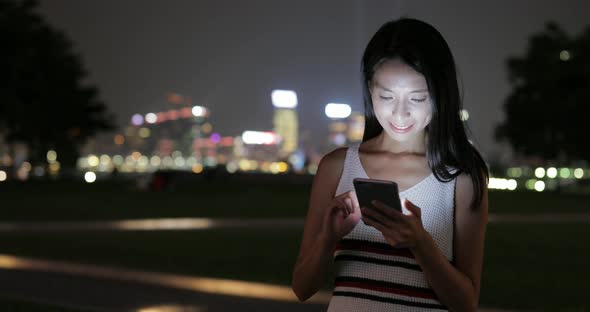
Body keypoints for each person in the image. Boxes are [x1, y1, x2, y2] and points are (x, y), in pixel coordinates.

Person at [292, 17, 489, 312]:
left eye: (418, 98)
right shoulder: (337, 167)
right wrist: (328, 238)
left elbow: (466, 304)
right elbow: (302, 288)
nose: (400, 113)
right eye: (386, 96)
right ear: (370, 90)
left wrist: (421, 244)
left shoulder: (459, 178)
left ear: (440, 96)